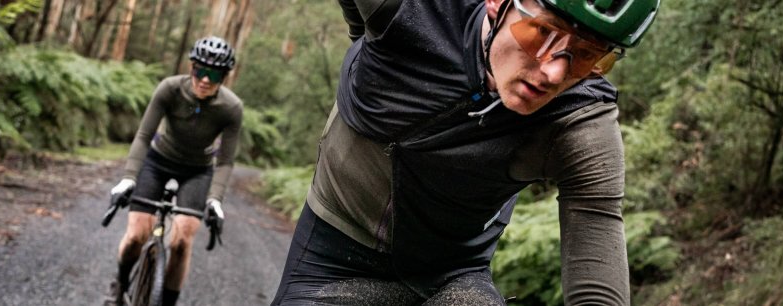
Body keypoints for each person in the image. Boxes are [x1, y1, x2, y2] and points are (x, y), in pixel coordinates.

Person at [271, 0, 659, 305]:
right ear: (497, 2)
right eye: (541, 32)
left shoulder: (581, 121)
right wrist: (366, 36)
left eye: (589, 56)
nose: (555, 73)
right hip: (336, 255)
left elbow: (598, 231)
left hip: (453, 277)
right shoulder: (410, 10)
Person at [106, 36, 243, 306]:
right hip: (157, 161)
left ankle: (167, 301)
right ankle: (120, 284)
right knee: (136, 236)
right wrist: (128, 178)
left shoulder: (231, 108)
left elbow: (225, 161)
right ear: (191, 67)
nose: (205, 79)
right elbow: (144, 136)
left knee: (181, 241)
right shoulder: (170, 89)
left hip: (197, 170)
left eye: (214, 74)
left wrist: (215, 200)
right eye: (200, 70)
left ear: (224, 77)